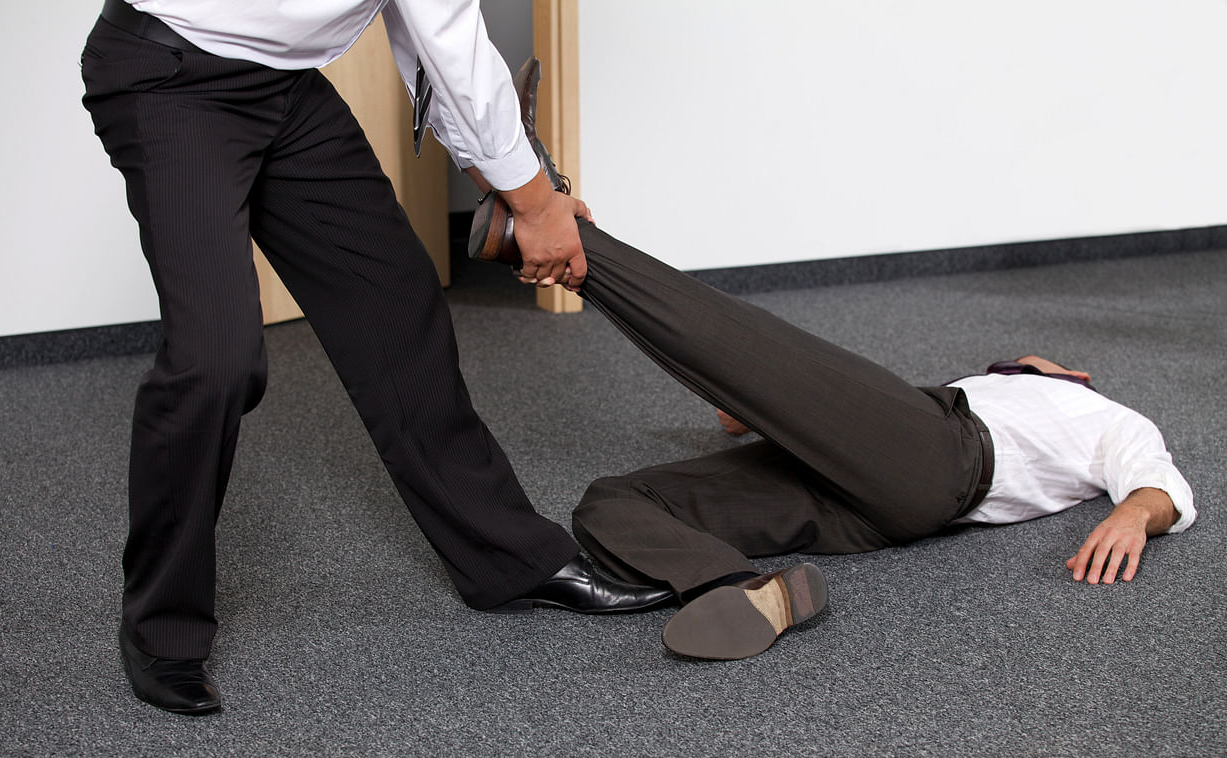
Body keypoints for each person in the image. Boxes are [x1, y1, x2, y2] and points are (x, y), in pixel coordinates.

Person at [81, 0, 670, 715]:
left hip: (287, 87)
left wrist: (496, 170)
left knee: (394, 303)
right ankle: (160, 629)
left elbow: (422, 35)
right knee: (216, 361)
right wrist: (538, 204)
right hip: (171, 76)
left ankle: (510, 562)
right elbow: (448, 37)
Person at [489, 218, 1197, 663]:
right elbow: (847, 419)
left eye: (1041, 363)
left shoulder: (1104, 416)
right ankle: (743, 587)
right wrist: (770, 412)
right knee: (614, 500)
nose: (1029, 361)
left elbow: (1162, 486)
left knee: (748, 349)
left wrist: (1135, 513)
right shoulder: (984, 384)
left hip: (945, 459)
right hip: (861, 507)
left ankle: (572, 237)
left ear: (1077, 375)